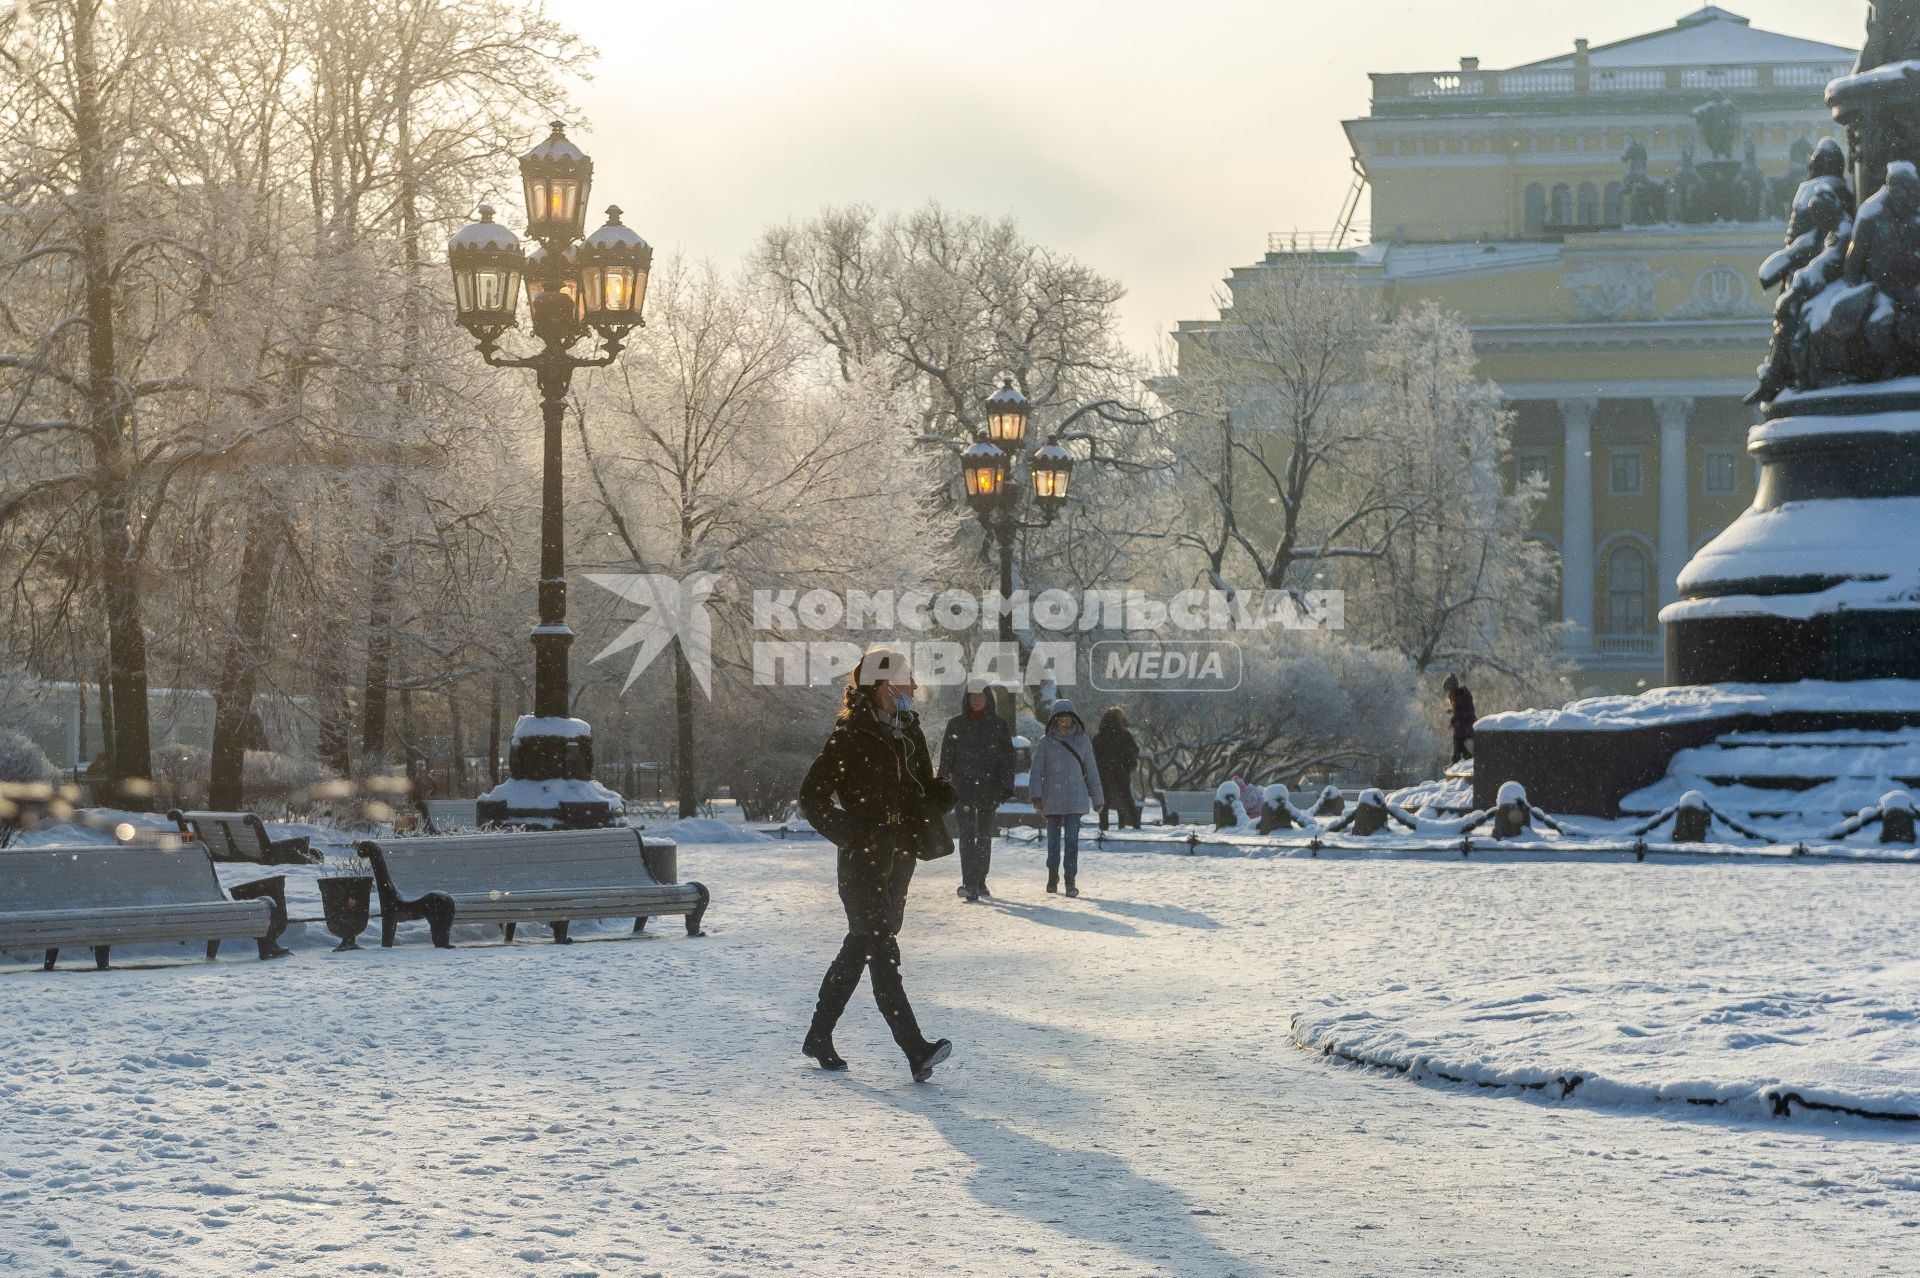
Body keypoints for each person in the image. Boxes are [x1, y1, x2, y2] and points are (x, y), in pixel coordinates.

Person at [798, 645, 958, 1081]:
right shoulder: (849, 735)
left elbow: (920, 789)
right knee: (883, 950)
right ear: (885, 684)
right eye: (908, 679)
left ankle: (818, 1035)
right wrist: (853, 833)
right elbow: (811, 797)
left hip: (900, 856)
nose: (916, 687)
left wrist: (939, 795)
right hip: (861, 861)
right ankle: (915, 1049)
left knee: (861, 947)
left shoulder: (909, 732)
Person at [938, 676, 1015, 902]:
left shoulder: (998, 724)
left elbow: (1007, 759)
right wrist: (942, 784)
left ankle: (980, 880)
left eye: (981, 696)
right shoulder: (956, 724)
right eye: (973, 697)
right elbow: (946, 757)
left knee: (983, 835)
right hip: (963, 789)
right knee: (966, 835)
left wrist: (1005, 786)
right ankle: (969, 881)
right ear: (967, 699)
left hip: (989, 789)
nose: (977, 700)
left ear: (988, 699)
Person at [1028, 698, 1103, 897]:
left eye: (1068, 717)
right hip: (1051, 799)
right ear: (1054, 719)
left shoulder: (1083, 740)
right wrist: (1036, 795)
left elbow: (1092, 771)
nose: (1065, 721)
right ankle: (1053, 876)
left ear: (1074, 719)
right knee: (1053, 842)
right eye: (1061, 717)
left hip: (1075, 799)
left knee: (1071, 842)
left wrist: (1098, 799)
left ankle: (1070, 881)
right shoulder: (1046, 743)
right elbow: (1036, 772)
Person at [1092, 706, 1142, 832]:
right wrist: (1127, 764)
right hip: (1121, 771)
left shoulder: (1099, 736)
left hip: (1104, 771)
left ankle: (1103, 826)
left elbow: (1094, 754)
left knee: (1104, 799)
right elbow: (1135, 750)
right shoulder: (1125, 735)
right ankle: (1134, 823)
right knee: (1126, 797)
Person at [1443, 673, 1478, 763]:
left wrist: (1453, 720)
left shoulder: (1461, 696)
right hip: (1467, 725)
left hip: (1466, 725)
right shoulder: (1462, 695)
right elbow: (1461, 710)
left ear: (1452, 689)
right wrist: (1453, 711)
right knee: (1458, 740)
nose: (1448, 694)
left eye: (1448, 691)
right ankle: (1463, 758)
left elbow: (1462, 712)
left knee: (1457, 739)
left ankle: (1460, 760)